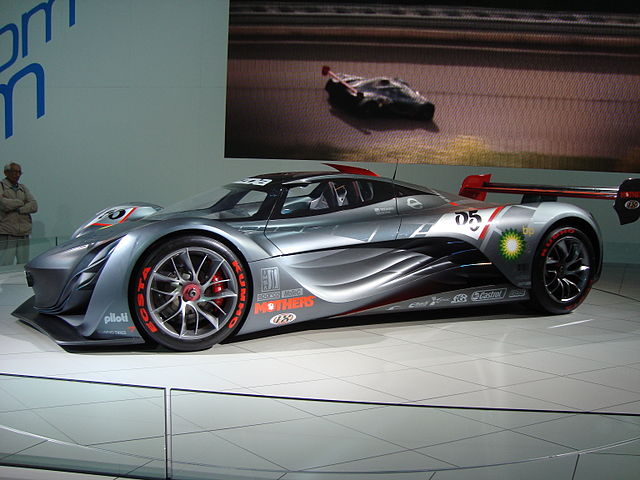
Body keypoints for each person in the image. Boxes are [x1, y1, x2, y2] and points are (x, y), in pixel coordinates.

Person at [0, 163, 38, 265]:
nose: (17, 175)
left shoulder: (23, 188)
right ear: (6, 173)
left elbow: (34, 206)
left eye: (19, 172)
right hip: (8, 233)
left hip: (23, 233)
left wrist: (19, 209)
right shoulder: (1, 186)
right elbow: (3, 204)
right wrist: (21, 202)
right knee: (6, 264)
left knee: (23, 265)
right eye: (14, 172)